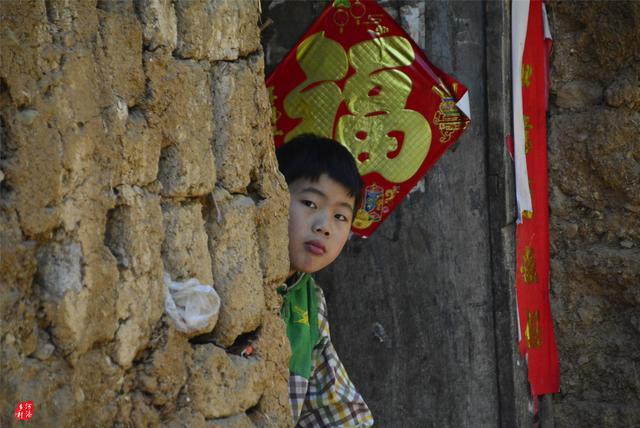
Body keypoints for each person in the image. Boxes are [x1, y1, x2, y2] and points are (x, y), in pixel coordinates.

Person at [275, 134, 374, 427]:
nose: (324, 226)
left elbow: (337, 409)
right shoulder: (240, 273)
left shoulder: (310, 302)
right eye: (309, 202)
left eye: (341, 216)